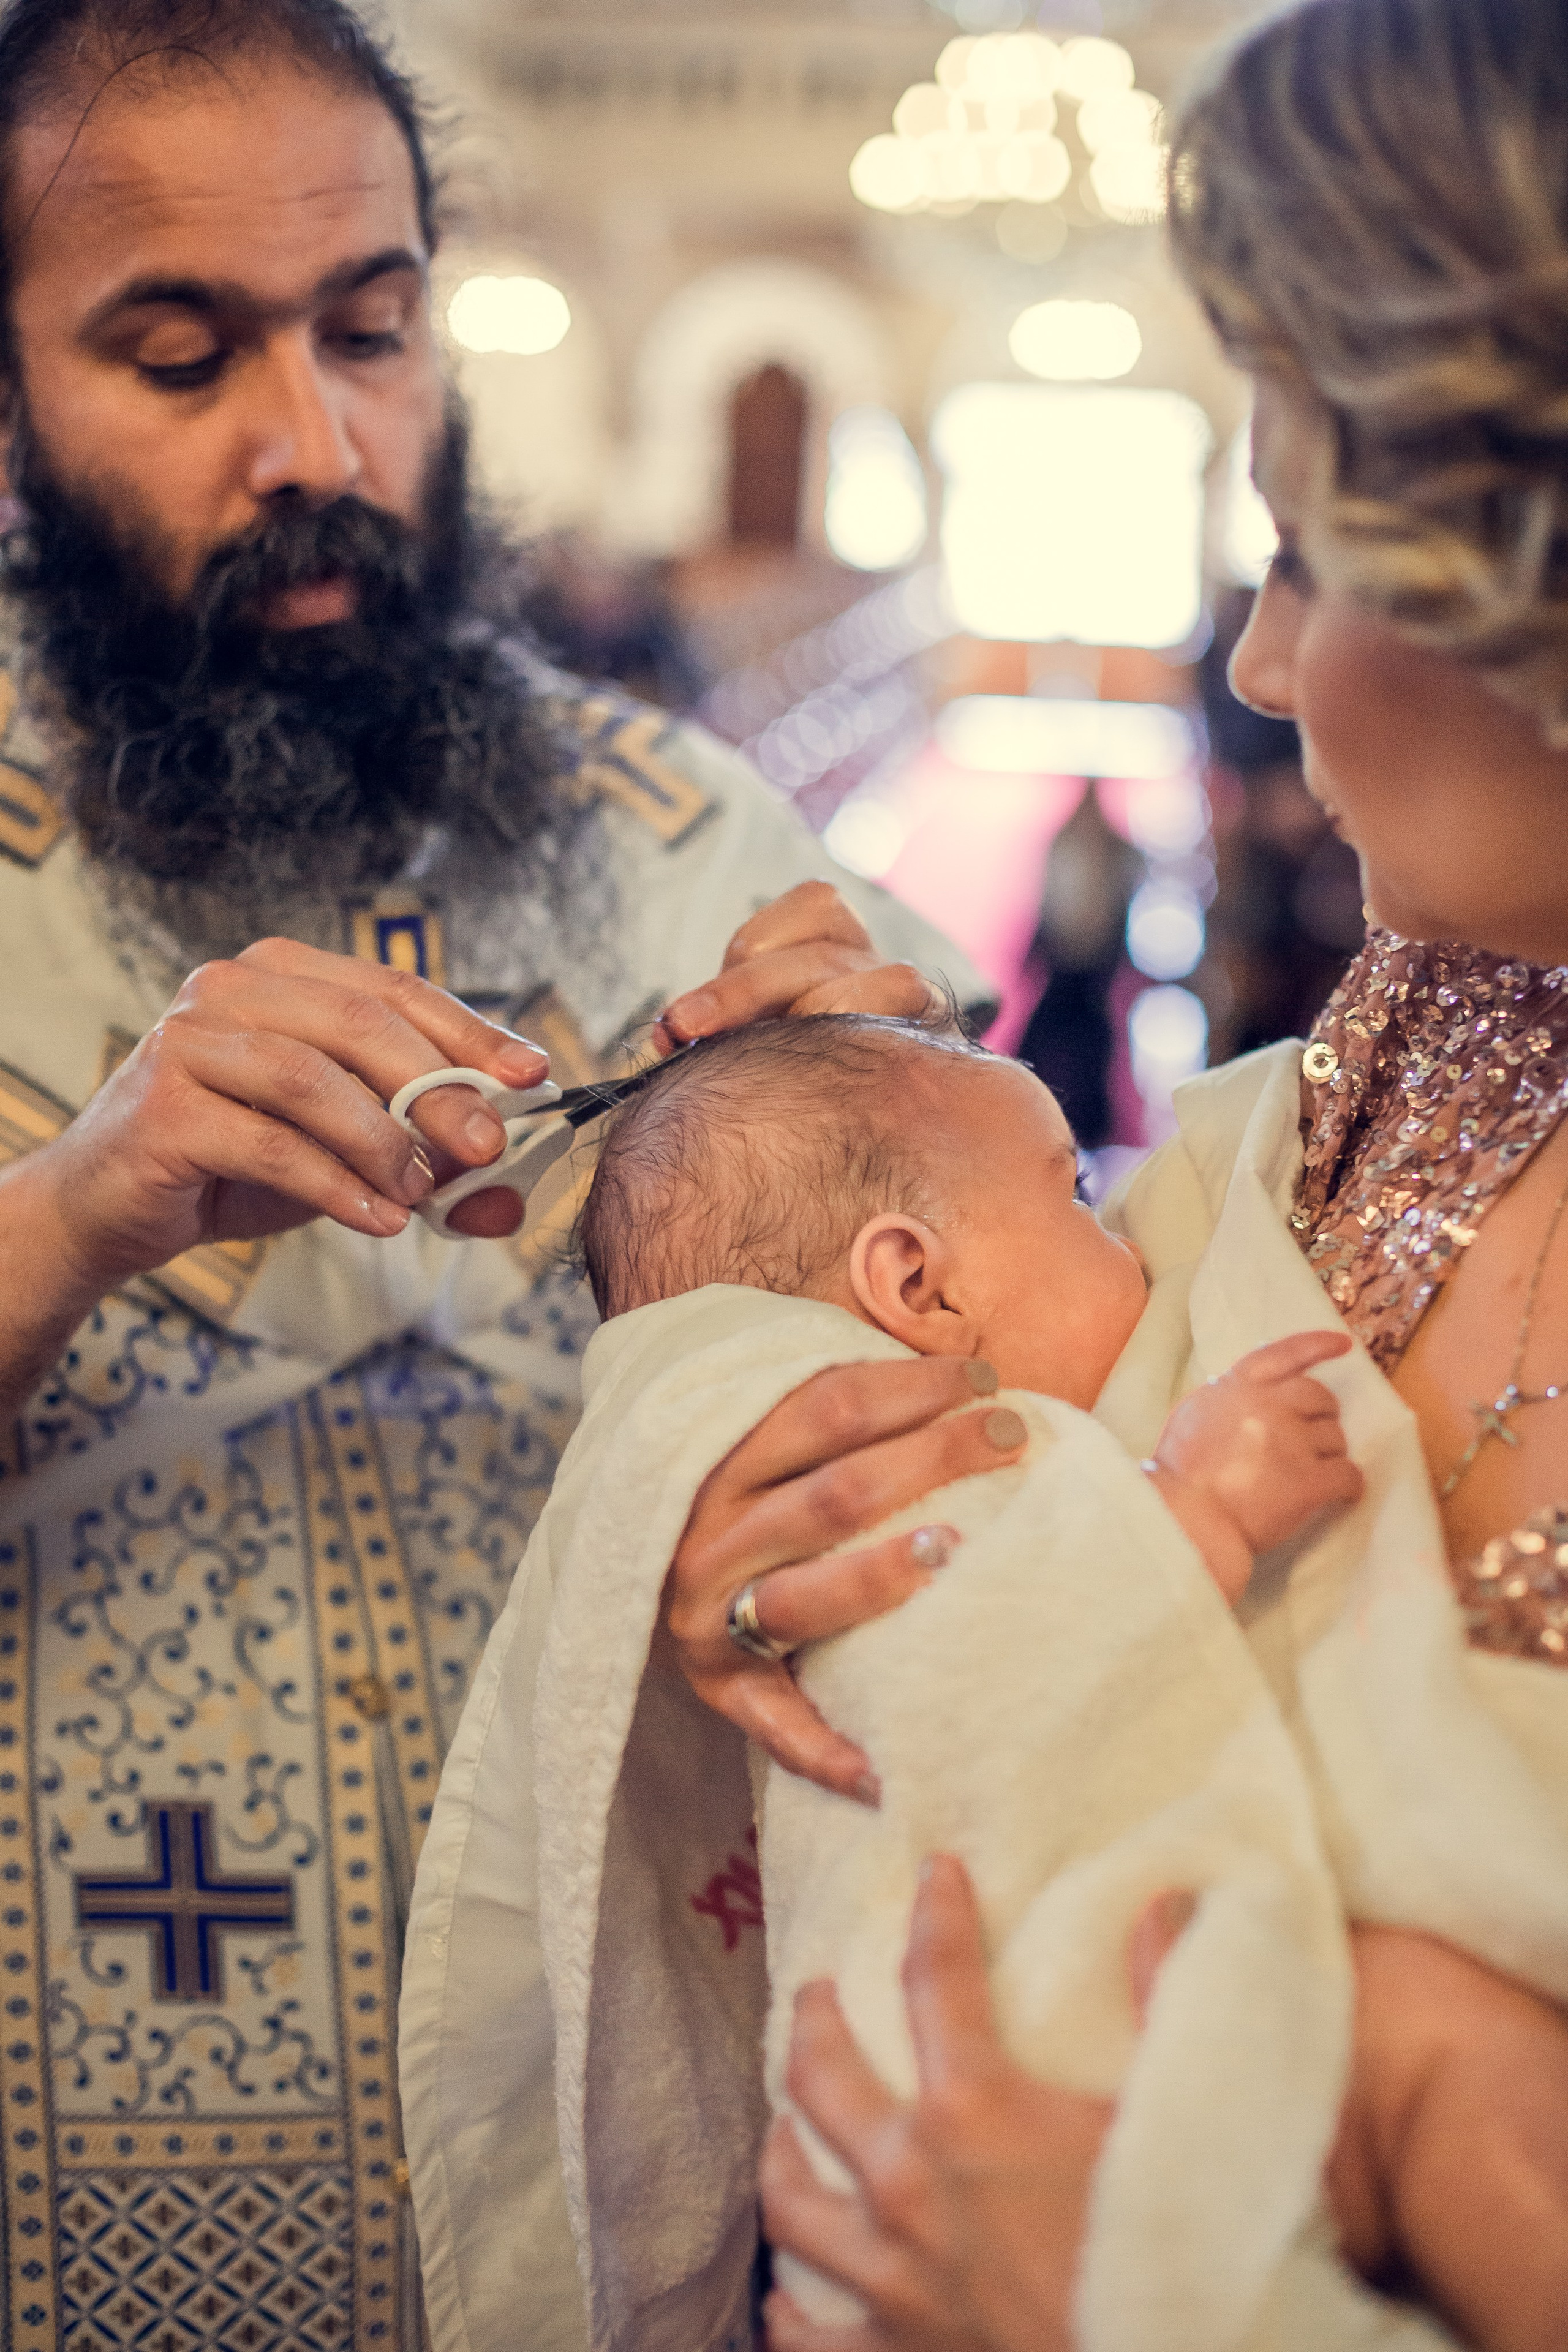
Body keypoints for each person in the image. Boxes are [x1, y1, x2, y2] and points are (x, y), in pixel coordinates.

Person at [0, 1, 982, 2340]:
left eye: (372, 329)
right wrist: (78, 1212)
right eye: (176, 357)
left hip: (614, 2138)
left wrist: (913, 1181)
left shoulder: (695, 837)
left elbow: (960, 1480)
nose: (313, 446)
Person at [616, 1, 1568, 2345]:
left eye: (1314, 549)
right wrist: (787, 1497)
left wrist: (1136, 2302)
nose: (1254, 662)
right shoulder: (1394, 1054)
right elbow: (1025, 1407)